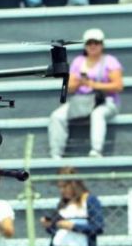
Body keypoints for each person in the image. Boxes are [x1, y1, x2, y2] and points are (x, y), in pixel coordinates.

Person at [48, 29, 123, 159]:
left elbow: (118, 86)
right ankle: (56, 154)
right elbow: (69, 87)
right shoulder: (78, 62)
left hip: (105, 101)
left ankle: (96, 150)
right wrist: (78, 82)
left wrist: (93, 85)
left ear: (102, 45)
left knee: (97, 114)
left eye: (96, 42)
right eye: (89, 43)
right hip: (81, 101)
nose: (93, 46)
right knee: (56, 116)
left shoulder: (110, 61)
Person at [41, 167, 104, 246]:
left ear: (74, 184)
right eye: (59, 187)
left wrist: (72, 226)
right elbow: (57, 231)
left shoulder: (90, 200)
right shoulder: (62, 204)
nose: (62, 191)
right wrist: (49, 225)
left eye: (65, 186)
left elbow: (98, 227)